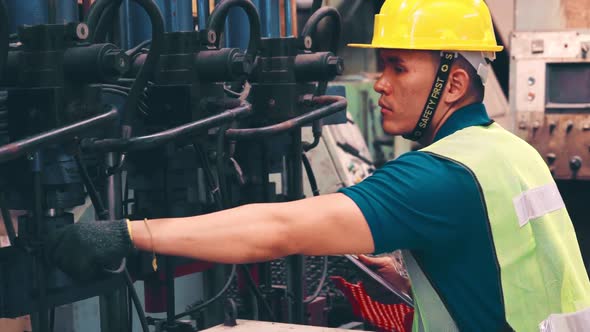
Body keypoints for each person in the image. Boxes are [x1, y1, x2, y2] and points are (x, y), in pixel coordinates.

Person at [46, 0, 590, 331]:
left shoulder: (439, 175)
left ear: (452, 83)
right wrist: (410, 271)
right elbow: (510, 261)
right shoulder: (508, 149)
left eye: (397, 68)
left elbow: (279, 230)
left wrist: (129, 232)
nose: (379, 83)